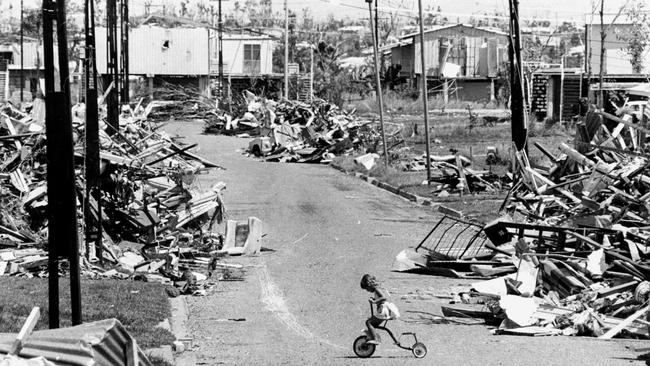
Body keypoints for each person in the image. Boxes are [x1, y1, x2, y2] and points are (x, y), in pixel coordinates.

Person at [360, 274, 399, 345]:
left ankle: (376, 339)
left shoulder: (377, 289)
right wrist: (374, 299)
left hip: (383, 310)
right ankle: (375, 337)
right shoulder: (378, 289)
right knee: (372, 323)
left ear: (370, 284)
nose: (368, 291)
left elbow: (384, 298)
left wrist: (374, 302)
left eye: (367, 288)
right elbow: (380, 298)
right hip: (384, 310)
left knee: (368, 322)